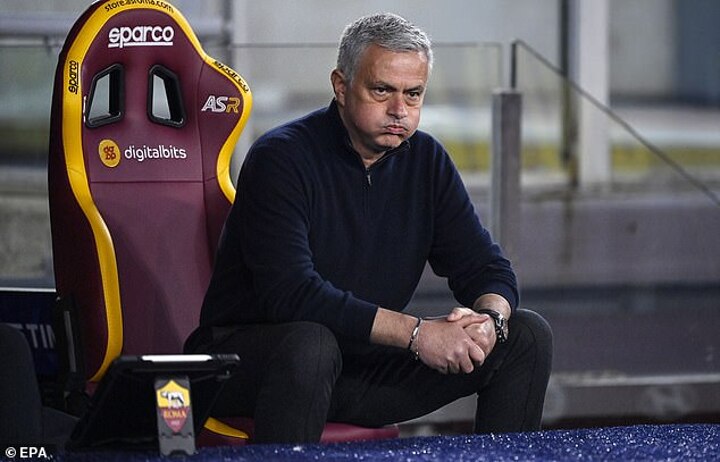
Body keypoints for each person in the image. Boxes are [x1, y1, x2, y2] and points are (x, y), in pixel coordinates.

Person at [184, 12, 552, 444]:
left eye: (413, 94)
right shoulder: (280, 158)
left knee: (526, 335)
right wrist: (417, 334)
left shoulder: (426, 161)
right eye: (382, 90)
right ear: (341, 86)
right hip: (246, 363)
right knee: (311, 345)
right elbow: (291, 294)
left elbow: (487, 268)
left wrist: (490, 321)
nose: (399, 110)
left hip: (357, 367)